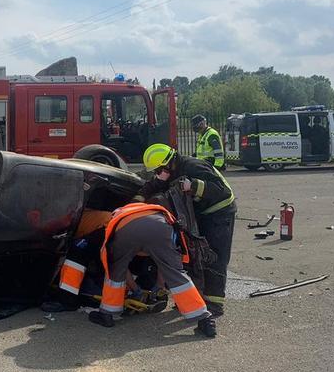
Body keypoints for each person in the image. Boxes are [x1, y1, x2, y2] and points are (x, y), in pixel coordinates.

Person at [138, 143, 235, 328]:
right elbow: (151, 187)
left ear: (169, 163)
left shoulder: (194, 166)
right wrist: (140, 197)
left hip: (221, 212)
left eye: (160, 169)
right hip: (202, 214)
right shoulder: (171, 170)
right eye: (156, 170)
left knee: (214, 255)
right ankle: (194, 299)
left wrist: (195, 186)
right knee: (197, 256)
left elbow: (222, 191)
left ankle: (214, 304)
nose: (158, 173)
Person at [82, 202, 214, 336]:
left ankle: (107, 315)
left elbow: (120, 268)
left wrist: (135, 290)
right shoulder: (155, 212)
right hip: (161, 228)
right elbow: (166, 263)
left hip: (126, 229)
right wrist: (159, 286)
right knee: (176, 273)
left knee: (116, 270)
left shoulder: (116, 217)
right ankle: (205, 319)